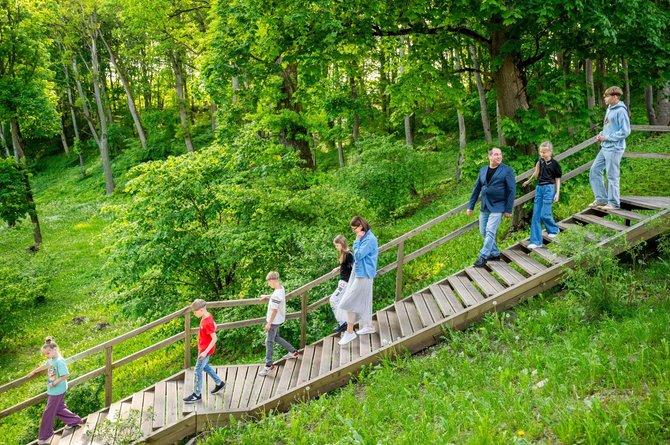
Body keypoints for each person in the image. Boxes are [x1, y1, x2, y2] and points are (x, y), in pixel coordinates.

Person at [466, 147, 516, 268]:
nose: (499, 156)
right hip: (485, 205)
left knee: (490, 231)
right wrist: (470, 206)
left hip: (498, 206)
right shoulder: (483, 170)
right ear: (489, 157)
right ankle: (494, 253)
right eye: (496, 154)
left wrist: (508, 209)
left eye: (500, 155)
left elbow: (511, 190)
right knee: (483, 231)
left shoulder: (507, 170)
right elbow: (476, 188)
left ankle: (483, 257)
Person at [28, 337, 83, 445]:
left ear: (55, 349)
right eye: (45, 354)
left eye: (48, 353)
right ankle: (74, 421)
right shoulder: (52, 360)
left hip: (57, 390)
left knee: (48, 412)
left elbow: (66, 374)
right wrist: (34, 371)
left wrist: (54, 383)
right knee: (59, 408)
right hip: (55, 390)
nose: (46, 355)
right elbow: (45, 365)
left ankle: (45, 435)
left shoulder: (59, 361)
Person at [338, 216, 379, 345]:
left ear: (360, 226)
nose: (354, 231)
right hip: (358, 272)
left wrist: (356, 240)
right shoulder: (365, 238)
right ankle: (369, 326)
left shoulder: (369, 239)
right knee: (365, 300)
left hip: (365, 274)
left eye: (354, 228)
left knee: (347, 301)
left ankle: (350, 332)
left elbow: (359, 255)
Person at [590, 86, 631, 210]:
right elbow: (608, 126)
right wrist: (601, 134)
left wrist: (607, 137)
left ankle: (613, 203)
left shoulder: (621, 111)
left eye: (607, 96)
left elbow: (625, 131)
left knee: (612, 175)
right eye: (605, 96)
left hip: (614, 148)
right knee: (594, 170)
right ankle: (601, 199)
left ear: (615, 97)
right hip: (605, 147)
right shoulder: (609, 108)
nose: (605, 98)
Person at [183, 299, 225, 403]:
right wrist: (214, 327)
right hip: (202, 348)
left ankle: (197, 394)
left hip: (204, 351)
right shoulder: (207, 316)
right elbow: (214, 326)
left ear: (201, 310)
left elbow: (214, 338)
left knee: (197, 370)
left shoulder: (207, 321)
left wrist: (205, 352)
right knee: (205, 366)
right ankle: (219, 383)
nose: (194, 314)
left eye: (195, 312)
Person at [522, 141, 562, 249]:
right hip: (539, 188)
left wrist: (557, 193)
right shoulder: (539, 161)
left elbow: (557, 179)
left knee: (545, 214)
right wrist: (528, 181)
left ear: (550, 152)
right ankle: (536, 241)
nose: (542, 154)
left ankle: (554, 229)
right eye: (541, 152)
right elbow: (536, 173)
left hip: (549, 188)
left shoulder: (555, 164)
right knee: (536, 215)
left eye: (544, 152)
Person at [259, 271, 299, 377]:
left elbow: (274, 310)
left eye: (269, 282)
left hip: (274, 321)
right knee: (276, 338)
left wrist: (269, 323)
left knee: (269, 342)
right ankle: (293, 352)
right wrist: (267, 296)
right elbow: (275, 297)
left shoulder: (276, 294)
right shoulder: (281, 288)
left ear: (272, 280)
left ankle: (268, 365)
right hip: (279, 319)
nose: (268, 284)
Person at [329, 234, 354, 334]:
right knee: (339, 302)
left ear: (342, 244)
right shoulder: (346, 254)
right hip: (343, 282)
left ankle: (342, 322)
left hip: (345, 283)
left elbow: (355, 267)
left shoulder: (349, 254)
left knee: (333, 300)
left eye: (337, 245)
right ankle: (344, 322)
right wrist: (338, 268)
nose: (336, 248)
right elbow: (347, 267)